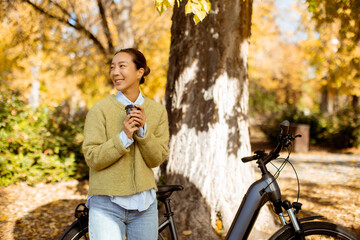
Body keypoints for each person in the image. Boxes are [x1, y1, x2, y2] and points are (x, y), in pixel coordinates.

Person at [82, 48, 169, 240]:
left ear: (140, 72)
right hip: (106, 205)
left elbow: (156, 159)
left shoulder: (157, 111)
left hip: (144, 206)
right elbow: (92, 158)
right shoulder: (100, 110)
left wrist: (144, 132)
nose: (115, 72)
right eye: (112, 67)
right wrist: (124, 138)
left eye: (122, 66)